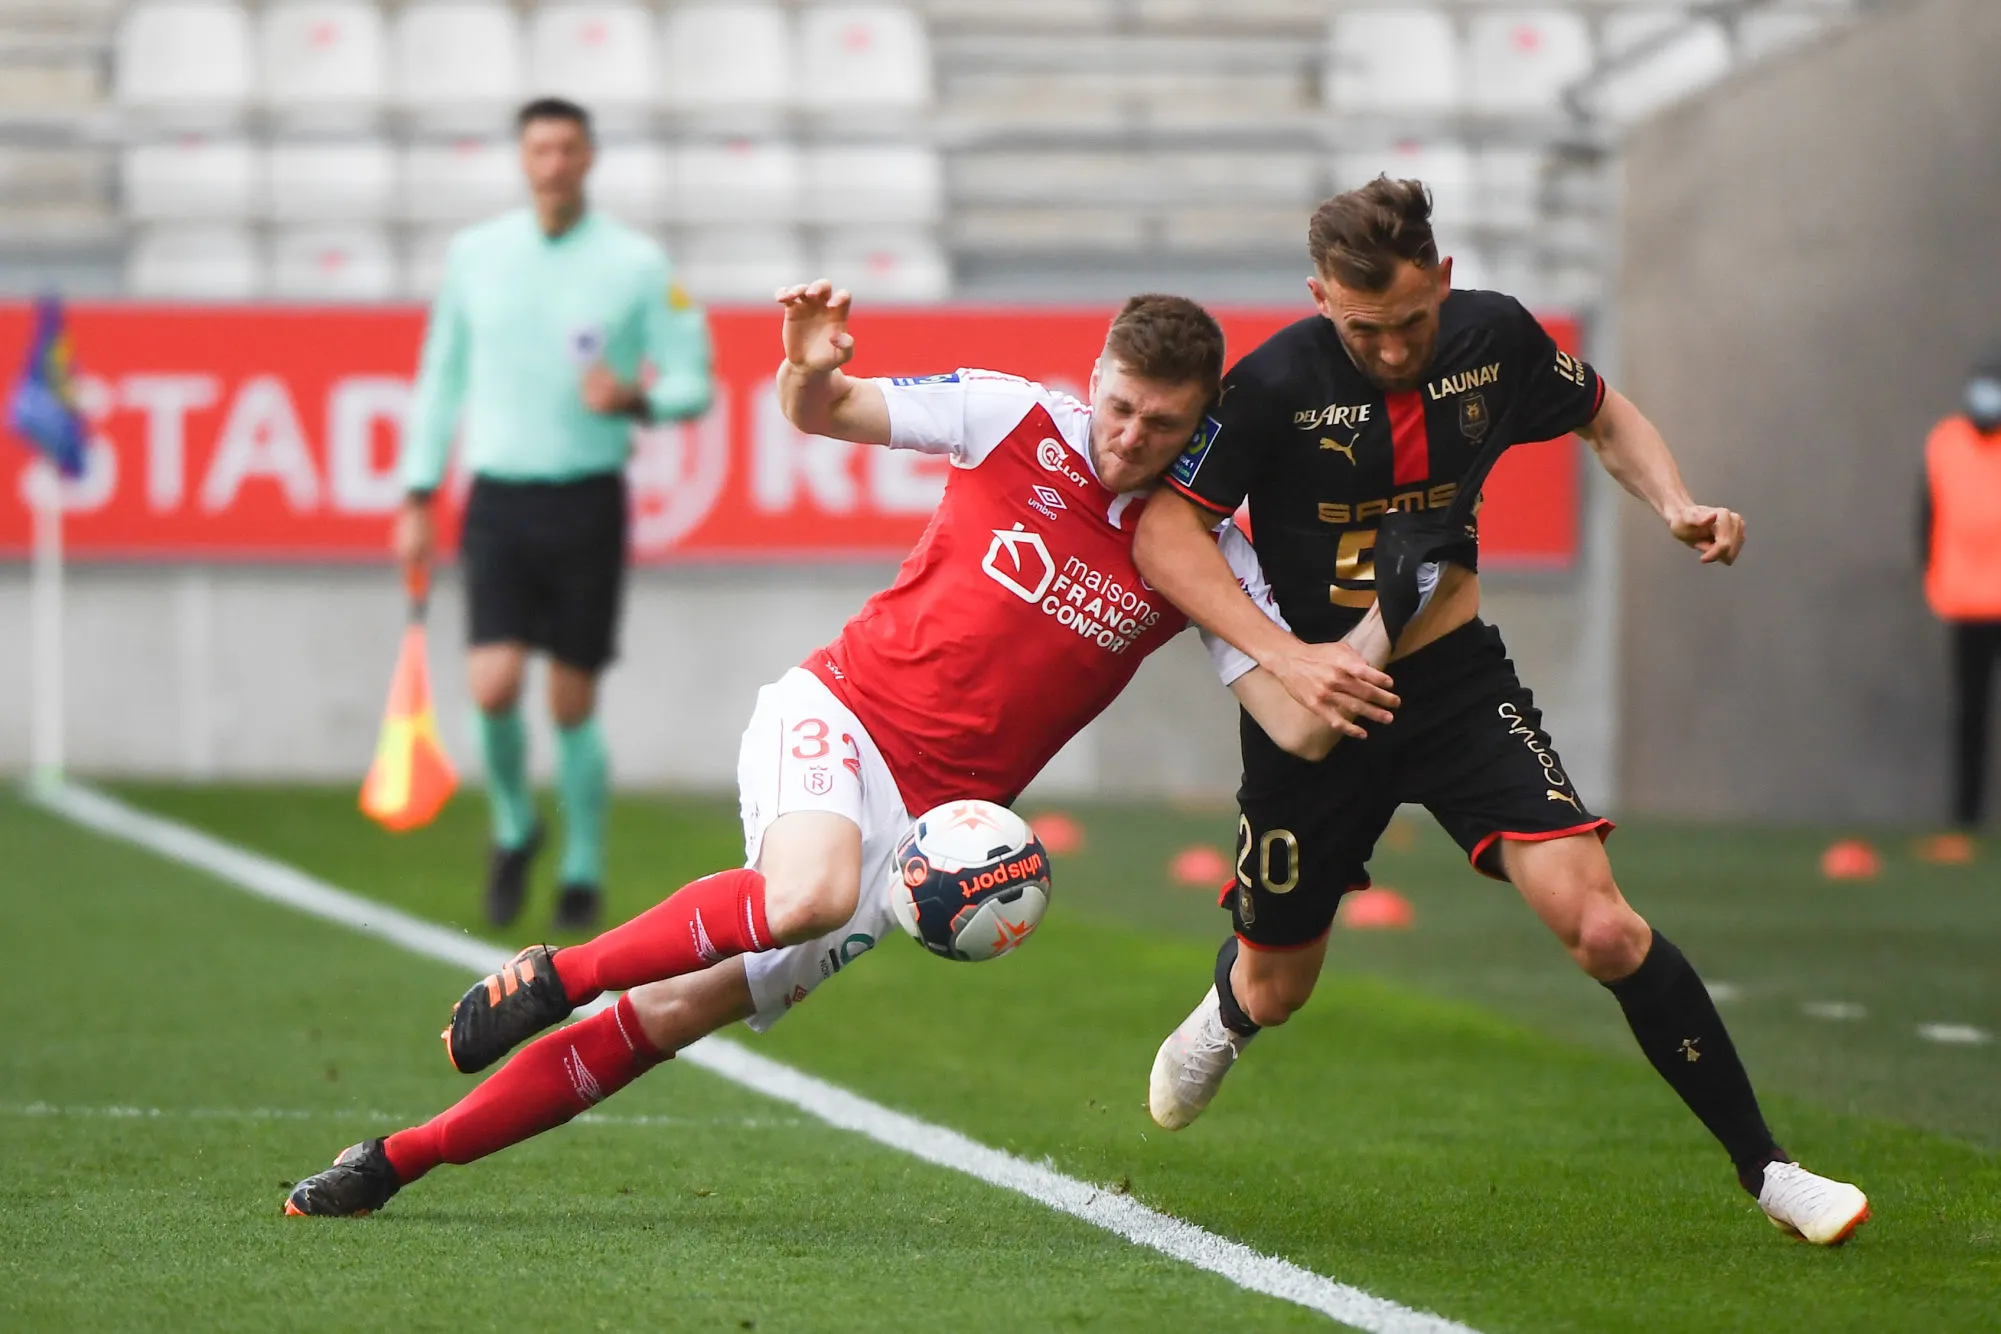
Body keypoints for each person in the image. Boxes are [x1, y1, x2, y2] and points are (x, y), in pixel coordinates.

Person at [284, 284, 1402, 1218]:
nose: (1128, 438)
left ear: (1202, 422)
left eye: (1161, 426)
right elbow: (826, 410)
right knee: (806, 890)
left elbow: (1299, 719)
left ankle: (398, 1158)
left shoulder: (1201, 556)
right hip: (842, 712)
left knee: (675, 1015)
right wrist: (807, 367)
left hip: (930, 837)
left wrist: (1404, 593)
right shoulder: (1011, 416)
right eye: (1118, 407)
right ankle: (550, 974)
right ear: (1094, 376)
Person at [1133, 178, 1870, 1246]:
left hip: (1456, 685)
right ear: (1319, 297)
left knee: (1603, 923)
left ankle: (1771, 1169)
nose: (1393, 350)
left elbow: (1602, 412)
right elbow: (1165, 533)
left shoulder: (1497, 336)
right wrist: (1291, 659)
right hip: (1320, 705)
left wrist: (1675, 501)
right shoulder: (1273, 383)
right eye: (1364, 329)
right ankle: (1230, 1012)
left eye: (1412, 321)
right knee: (1281, 980)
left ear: (1443, 277)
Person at [396, 98, 715, 933]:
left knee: (572, 700)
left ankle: (581, 867)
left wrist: (636, 396)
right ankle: (514, 825)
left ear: (589, 158)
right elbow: (441, 378)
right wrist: (418, 489)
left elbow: (694, 380)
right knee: (493, 682)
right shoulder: (476, 257)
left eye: (568, 148)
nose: (553, 163)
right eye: (540, 148)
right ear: (522, 158)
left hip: (586, 500)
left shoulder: (637, 265)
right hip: (499, 496)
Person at [1919, 353, 2001, 853]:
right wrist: (1932, 575)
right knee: (1970, 715)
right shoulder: (1946, 441)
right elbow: (1927, 515)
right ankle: (1966, 815)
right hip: (1965, 601)